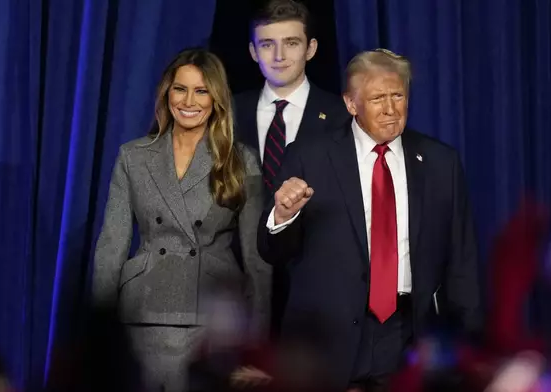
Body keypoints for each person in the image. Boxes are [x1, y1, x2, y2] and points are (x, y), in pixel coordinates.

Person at [257, 49, 483, 391]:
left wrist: (469, 347)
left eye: (398, 96)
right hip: (328, 340)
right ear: (351, 104)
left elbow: (462, 261)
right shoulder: (309, 156)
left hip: (408, 335)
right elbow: (271, 250)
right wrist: (283, 216)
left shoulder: (440, 162)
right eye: (378, 98)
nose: (391, 109)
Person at [93, 48, 271, 392]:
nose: (189, 101)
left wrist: (257, 347)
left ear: (216, 98)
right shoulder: (133, 156)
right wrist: (99, 338)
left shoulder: (241, 161)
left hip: (211, 320)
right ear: (167, 93)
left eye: (201, 90)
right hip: (142, 314)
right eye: (180, 89)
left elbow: (257, 261)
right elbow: (111, 248)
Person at [233, 0, 350, 338]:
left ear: (311, 49)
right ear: (253, 52)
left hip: (316, 291)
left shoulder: (342, 116)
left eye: (292, 43)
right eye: (267, 44)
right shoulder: (227, 112)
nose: (279, 55)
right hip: (240, 295)